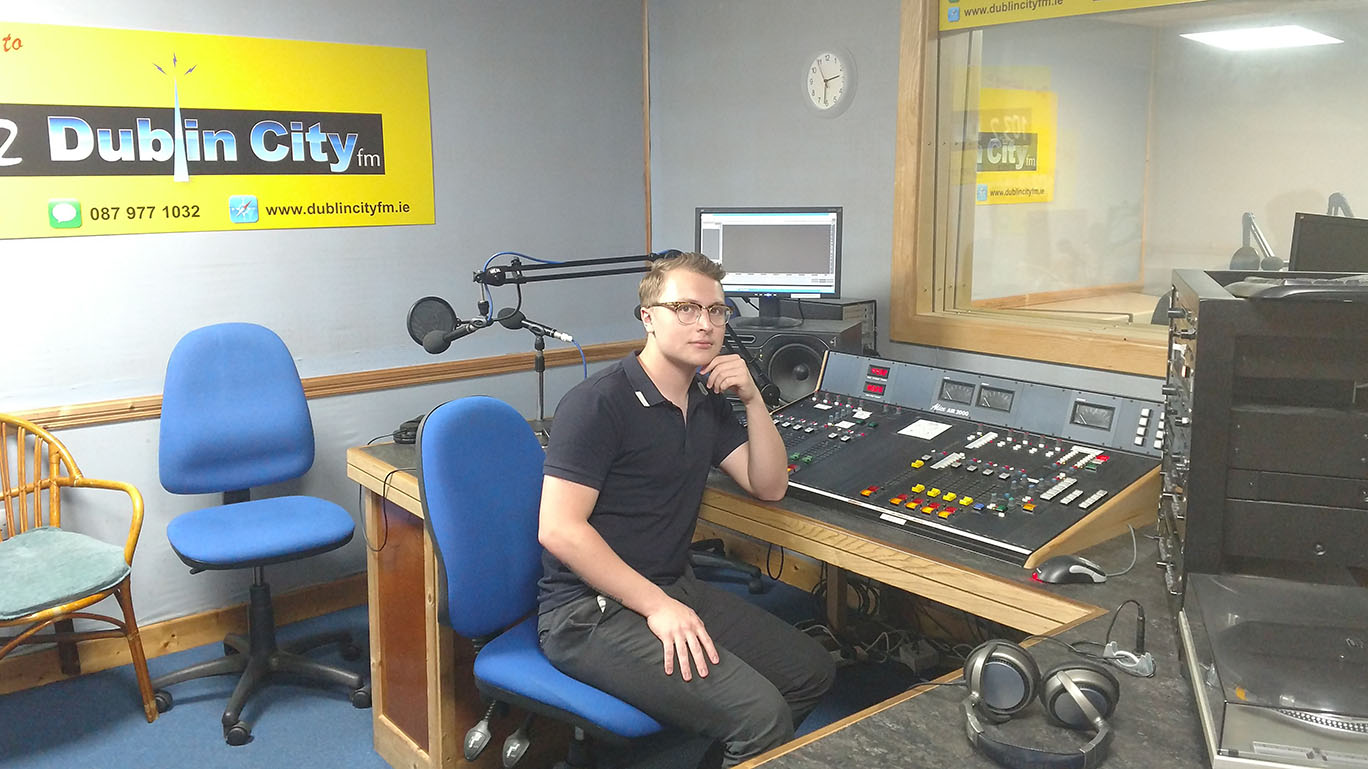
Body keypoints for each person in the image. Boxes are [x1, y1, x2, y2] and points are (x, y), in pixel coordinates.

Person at [536, 252, 836, 767]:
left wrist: (753, 402)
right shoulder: (598, 404)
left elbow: (768, 486)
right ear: (648, 316)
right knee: (760, 715)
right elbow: (559, 530)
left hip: (675, 586)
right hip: (589, 613)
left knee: (811, 670)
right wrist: (658, 606)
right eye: (686, 308)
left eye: (717, 311)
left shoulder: (704, 403)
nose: (705, 323)